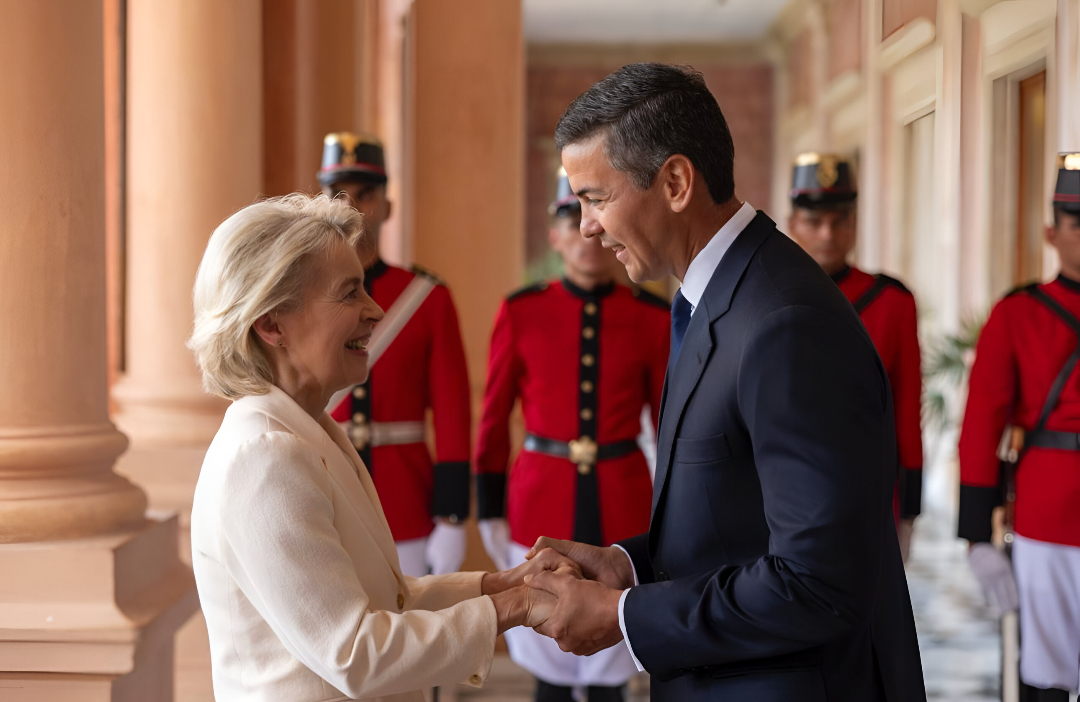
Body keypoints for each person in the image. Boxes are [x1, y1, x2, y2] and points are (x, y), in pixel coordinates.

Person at [519, 62, 925, 701]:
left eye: (596, 198)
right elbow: (737, 524)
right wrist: (627, 565)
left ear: (676, 181)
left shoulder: (783, 322)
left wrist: (623, 616)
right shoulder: (719, 295)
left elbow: (816, 583)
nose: (588, 227)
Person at [186, 193, 574, 702]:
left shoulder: (309, 430)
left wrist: (504, 584)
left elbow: (386, 601)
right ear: (272, 323)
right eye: (350, 294)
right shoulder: (263, 457)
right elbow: (355, 653)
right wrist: (518, 607)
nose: (375, 310)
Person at [474, 169, 669, 702]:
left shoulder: (652, 316)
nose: (583, 235)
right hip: (543, 495)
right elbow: (493, 419)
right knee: (547, 649)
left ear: (609, 230)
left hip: (622, 497)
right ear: (555, 235)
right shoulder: (522, 311)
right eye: (568, 219)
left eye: (592, 218)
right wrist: (489, 506)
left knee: (611, 645)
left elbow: (670, 427)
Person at [319, 132, 472, 577]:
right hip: (324, 490)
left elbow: (452, 413)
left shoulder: (427, 298)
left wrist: (452, 515)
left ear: (388, 206)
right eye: (337, 194)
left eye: (365, 194)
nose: (350, 207)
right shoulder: (301, 297)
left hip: (406, 501)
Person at [958, 153, 1080, 701]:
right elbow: (982, 424)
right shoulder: (1016, 314)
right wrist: (975, 532)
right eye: (1079, 225)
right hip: (1047, 521)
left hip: (1047, 509)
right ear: (1053, 232)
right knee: (1047, 678)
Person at [786, 153, 923, 560]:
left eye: (840, 220)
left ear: (855, 223)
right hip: (786, 489)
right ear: (793, 224)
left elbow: (906, 405)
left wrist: (910, 507)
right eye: (814, 221)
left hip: (872, 491)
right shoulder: (769, 295)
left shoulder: (892, 301)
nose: (828, 233)